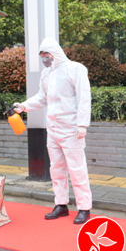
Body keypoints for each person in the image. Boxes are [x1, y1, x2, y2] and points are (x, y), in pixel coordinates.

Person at [14, 38, 92, 225]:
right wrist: (23, 107)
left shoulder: (75, 69)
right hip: (53, 129)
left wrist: (82, 124)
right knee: (56, 169)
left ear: (55, 53)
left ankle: (84, 207)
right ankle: (61, 204)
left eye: (46, 54)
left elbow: (84, 97)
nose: (44, 59)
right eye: (42, 55)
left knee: (77, 169)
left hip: (71, 128)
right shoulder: (46, 74)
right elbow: (42, 97)